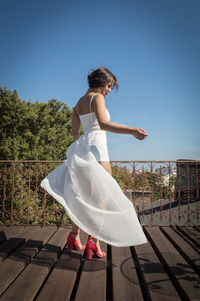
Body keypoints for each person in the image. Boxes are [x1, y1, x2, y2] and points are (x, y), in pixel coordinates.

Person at [41, 67, 149, 260]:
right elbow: (104, 124)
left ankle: (74, 236)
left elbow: (75, 133)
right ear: (100, 83)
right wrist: (132, 130)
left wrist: (82, 145)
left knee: (85, 197)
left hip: (83, 149)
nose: (108, 91)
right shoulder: (97, 98)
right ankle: (94, 240)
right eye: (108, 86)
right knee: (102, 198)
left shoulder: (79, 103)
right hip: (98, 150)